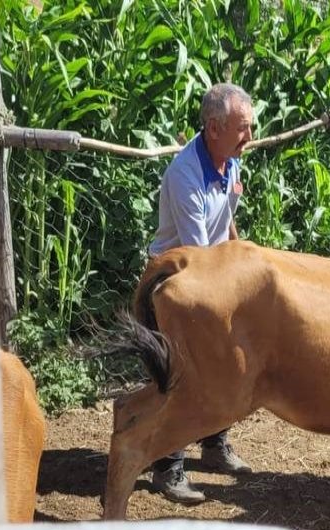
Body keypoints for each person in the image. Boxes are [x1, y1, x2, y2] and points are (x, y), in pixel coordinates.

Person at [146, 82, 255, 504]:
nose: (249, 135)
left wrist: (243, 255)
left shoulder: (229, 161)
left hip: (211, 271)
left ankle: (214, 444)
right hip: (176, 281)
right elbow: (196, 252)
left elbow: (225, 223)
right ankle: (167, 466)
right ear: (213, 127)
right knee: (181, 370)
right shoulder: (184, 175)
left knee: (224, 363)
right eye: (242, 128)